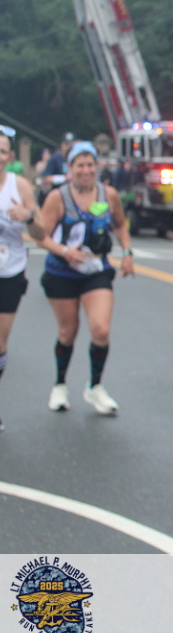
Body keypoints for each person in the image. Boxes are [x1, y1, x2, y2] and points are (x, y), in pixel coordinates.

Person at [35, 141, 135, 415]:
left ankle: (95, 386)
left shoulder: (107, 195)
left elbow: (119, 224)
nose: (86, 170)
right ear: (70, 168)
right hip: (62, 271)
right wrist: (65, 251)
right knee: (67, 333)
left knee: (101, 330)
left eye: (90, 164)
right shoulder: (58, 198)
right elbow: (41, 236)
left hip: (96, 271)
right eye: (80, 165)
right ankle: (60, 384)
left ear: (97, 166)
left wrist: (127, 253)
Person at [0, 125, 46, 431]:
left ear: (10, 157)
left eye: (2, 151)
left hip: (10, 270)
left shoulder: (20, 187)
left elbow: (41, 232)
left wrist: (28, 216)